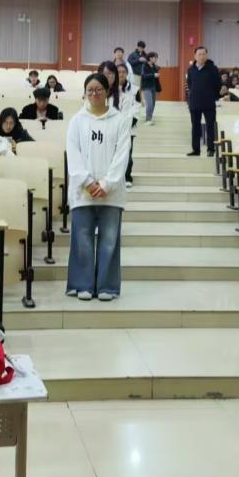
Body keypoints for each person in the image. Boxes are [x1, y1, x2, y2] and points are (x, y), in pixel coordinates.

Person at [66, 72, 131, 302]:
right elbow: (73, 155)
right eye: (90, 90)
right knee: (82, 239)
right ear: (85, 93)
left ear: (107, 91)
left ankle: (107, 286)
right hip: (83, 191)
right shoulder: (77, 121)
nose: (94, 94)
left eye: (98, 89)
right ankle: (82, 284)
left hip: (111, 193)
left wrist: (106, 184)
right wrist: (88, 182)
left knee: (109, 240)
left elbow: (122, 155)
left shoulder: (120, 120)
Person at [185, 46, 222, 158]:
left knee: (210, 126)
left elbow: (218, 84)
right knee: (195, 127)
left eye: (204, 54)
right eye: (199, 54)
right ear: (195, 56)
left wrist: (212, 95)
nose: (202, 56)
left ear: (207, 55)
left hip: (209, 102)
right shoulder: (191, 70)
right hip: (195, 102)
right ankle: (196, 150)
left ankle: (211, 149)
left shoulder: (212, 68)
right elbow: (189, 84)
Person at [116, 62, 140, 187]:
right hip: (113, 127)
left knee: (127, 154)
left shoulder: (134, 89)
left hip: (128, 126)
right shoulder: (109, 89)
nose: (121, 74)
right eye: (119, 72)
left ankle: (127, 177)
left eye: (123, 72)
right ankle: (116, 177)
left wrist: (131, 120)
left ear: (127, 74)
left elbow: (137, 106)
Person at [138, 52, 161, 124]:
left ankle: (150, 117)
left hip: (153, 86)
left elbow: (157, 75)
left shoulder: (154, 66)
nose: (156, 59)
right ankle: (148, 119)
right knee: (149, 103)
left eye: (156, 57)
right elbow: (144, 76)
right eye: (155, 57)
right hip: (146, 87)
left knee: (153, 103)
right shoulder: (144, 66)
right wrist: (153, 75)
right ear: (150, 58)